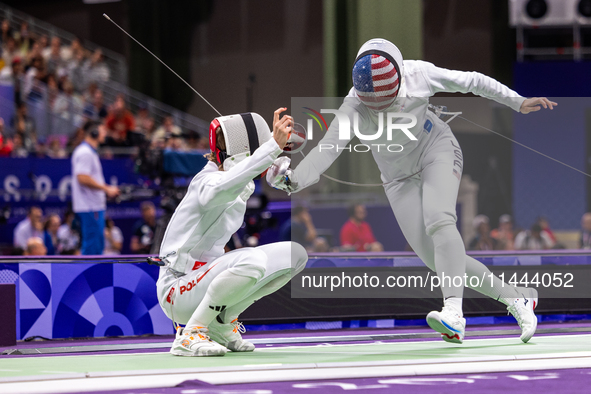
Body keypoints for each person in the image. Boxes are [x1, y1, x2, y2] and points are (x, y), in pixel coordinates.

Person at [274, 38, 555, 344]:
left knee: (439, 219)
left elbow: (472, 81)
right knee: (439, 260)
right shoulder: (353, 106)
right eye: (373, 103)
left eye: (388, 99)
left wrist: (517, 101)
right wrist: (294, 179)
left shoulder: (419, 74)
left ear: (398, 79)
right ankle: (517, 299)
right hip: (397, 179)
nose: (380, 107)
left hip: (436, 149)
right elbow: (326, 150)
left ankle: (453, 313)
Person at [156, 109, 308, 357]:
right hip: (176, 291)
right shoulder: (206, 182)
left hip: (203, 284)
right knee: (252, 260)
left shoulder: (239, 183)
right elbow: (225, 187)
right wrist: (270, 149)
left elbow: (241, 179)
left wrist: (275, 169)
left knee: (295, 254)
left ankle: (221, 324)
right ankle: (191, 332)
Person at [71, 122, 120, 254]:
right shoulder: (85, 152)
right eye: (103, 129)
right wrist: (106, 189)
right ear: (94, 132)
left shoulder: (89, 152)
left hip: (92, 206)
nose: (105, 133)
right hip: (90, 207)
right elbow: (82, 177)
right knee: (93, 247)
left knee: (96, 245)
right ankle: (89, 275)